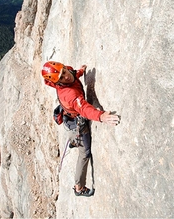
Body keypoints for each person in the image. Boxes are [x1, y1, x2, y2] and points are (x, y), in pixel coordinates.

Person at [42, 61, 120, 197]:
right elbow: (83, 108)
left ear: (65, 68)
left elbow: (72, 74)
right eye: (61, 78)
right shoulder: (70, 94)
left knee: (75, 138)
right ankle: (79, 187)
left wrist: (80, 71)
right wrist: (100, 116)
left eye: (64, 72)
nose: (66, 77)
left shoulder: (69, 72)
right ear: (58, 82)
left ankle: (74, 142)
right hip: (75, 124)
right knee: (85, 153)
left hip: (69, 118)